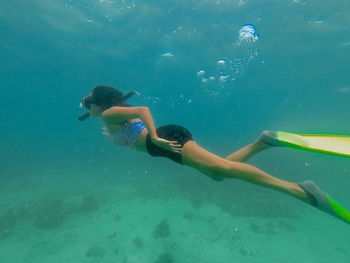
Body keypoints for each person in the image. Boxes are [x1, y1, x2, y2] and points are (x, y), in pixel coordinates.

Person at [78, 85, 350, 224]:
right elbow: (131, 128)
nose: (86, 105)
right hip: (162, 145)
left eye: (89, 101)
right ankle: (264, 142)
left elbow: (143, 111)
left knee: (223, 169)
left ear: (100, 103)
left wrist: (157, 139)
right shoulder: (109, 118)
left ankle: (301, 191)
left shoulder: (108, 114)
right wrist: (136, 137)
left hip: (166, 141)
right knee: (217, 173)